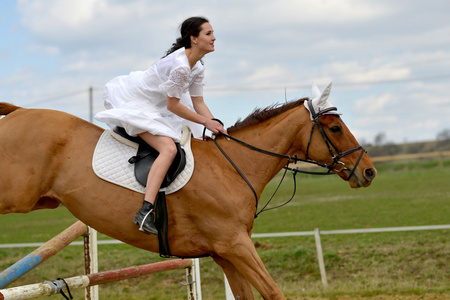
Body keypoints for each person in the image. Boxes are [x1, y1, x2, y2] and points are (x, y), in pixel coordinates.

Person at [95, 16, 227, 235]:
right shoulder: (181, 68)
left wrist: (218, 127)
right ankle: (145, 211)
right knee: (168, 149)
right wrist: (205, 122)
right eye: (208, 34)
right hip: (137, 103)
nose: (214, 38)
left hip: (159, 106)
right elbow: (174, 106)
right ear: (193, 39)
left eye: (213, 33)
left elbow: (198, 103)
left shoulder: (197, 68)